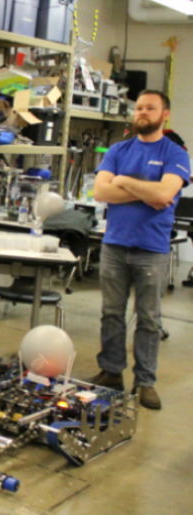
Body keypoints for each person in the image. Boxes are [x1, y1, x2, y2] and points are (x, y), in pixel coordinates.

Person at [91, 90, 190, 410]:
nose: (142, 112)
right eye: (139, 108)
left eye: (151, 108)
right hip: (115, 245)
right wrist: (147, 190)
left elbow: (165, 195)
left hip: (152, 248)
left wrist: (123, 181)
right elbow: (100, 191)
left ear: (164, 116)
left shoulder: (175, 153)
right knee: (111, 314)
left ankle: (145, 382)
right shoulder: (119, 150)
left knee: (149, 320)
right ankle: (111, 372)